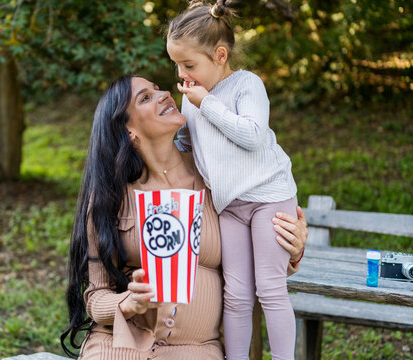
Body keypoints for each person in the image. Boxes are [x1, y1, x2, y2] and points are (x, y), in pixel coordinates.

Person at [60, 75, 307, 359]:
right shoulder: (111, 197)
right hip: (119, 346)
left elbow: (258, 262)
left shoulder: (218, 180)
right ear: (128, 130)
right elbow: (96, 297)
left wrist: (293, 252)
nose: (164, 94)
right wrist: (129, 302)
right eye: (145, 98)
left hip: (197, 350)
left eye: (157, 89)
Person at [166, 2, 300, 359]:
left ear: (220, 55)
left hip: (268, 197)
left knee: (270, 289)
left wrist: (206, 103)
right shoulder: (192, 97)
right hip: (230, 205)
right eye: (177, 65)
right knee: (237, 294)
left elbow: (254, 135)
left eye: (189, 65)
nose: (182, 73)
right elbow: (186, 145)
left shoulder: (246, 85)